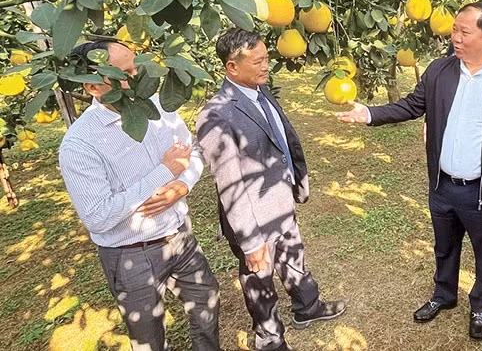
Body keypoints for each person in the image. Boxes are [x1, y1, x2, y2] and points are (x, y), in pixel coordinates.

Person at [336, 1, 482, 340]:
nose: (454, 37)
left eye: (464, 32)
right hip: (443, 186)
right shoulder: (440, 70)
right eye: (454, 30)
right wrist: (370, 114)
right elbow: (412, 105)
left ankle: (481, 304)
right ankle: (444, 294)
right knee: (444, 246)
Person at [58, 40, 219, 351]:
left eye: (136, 66)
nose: (139, 77)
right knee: (147, 337)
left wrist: (182, 185)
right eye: (125, 72)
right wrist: (163, 172)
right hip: (131, 252)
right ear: (93, 86)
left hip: (179, 236)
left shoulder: (158, 106)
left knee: (206, 301)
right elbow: (97, 216)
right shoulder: (80, 143)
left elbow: (193, 152)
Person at [196, 28, 346, 351]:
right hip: (253, 216)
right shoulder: (216, 114)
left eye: (266, 59)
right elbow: (229, 183)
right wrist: (250, 241)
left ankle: (308, 306)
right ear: (232, 67)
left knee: (294, 259)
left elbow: (283, 139)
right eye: (258, 61)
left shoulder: (259, 91)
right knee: (259, 279)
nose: (266, 66)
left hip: (280, 202)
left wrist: (297, 181)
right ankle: (270, 340)